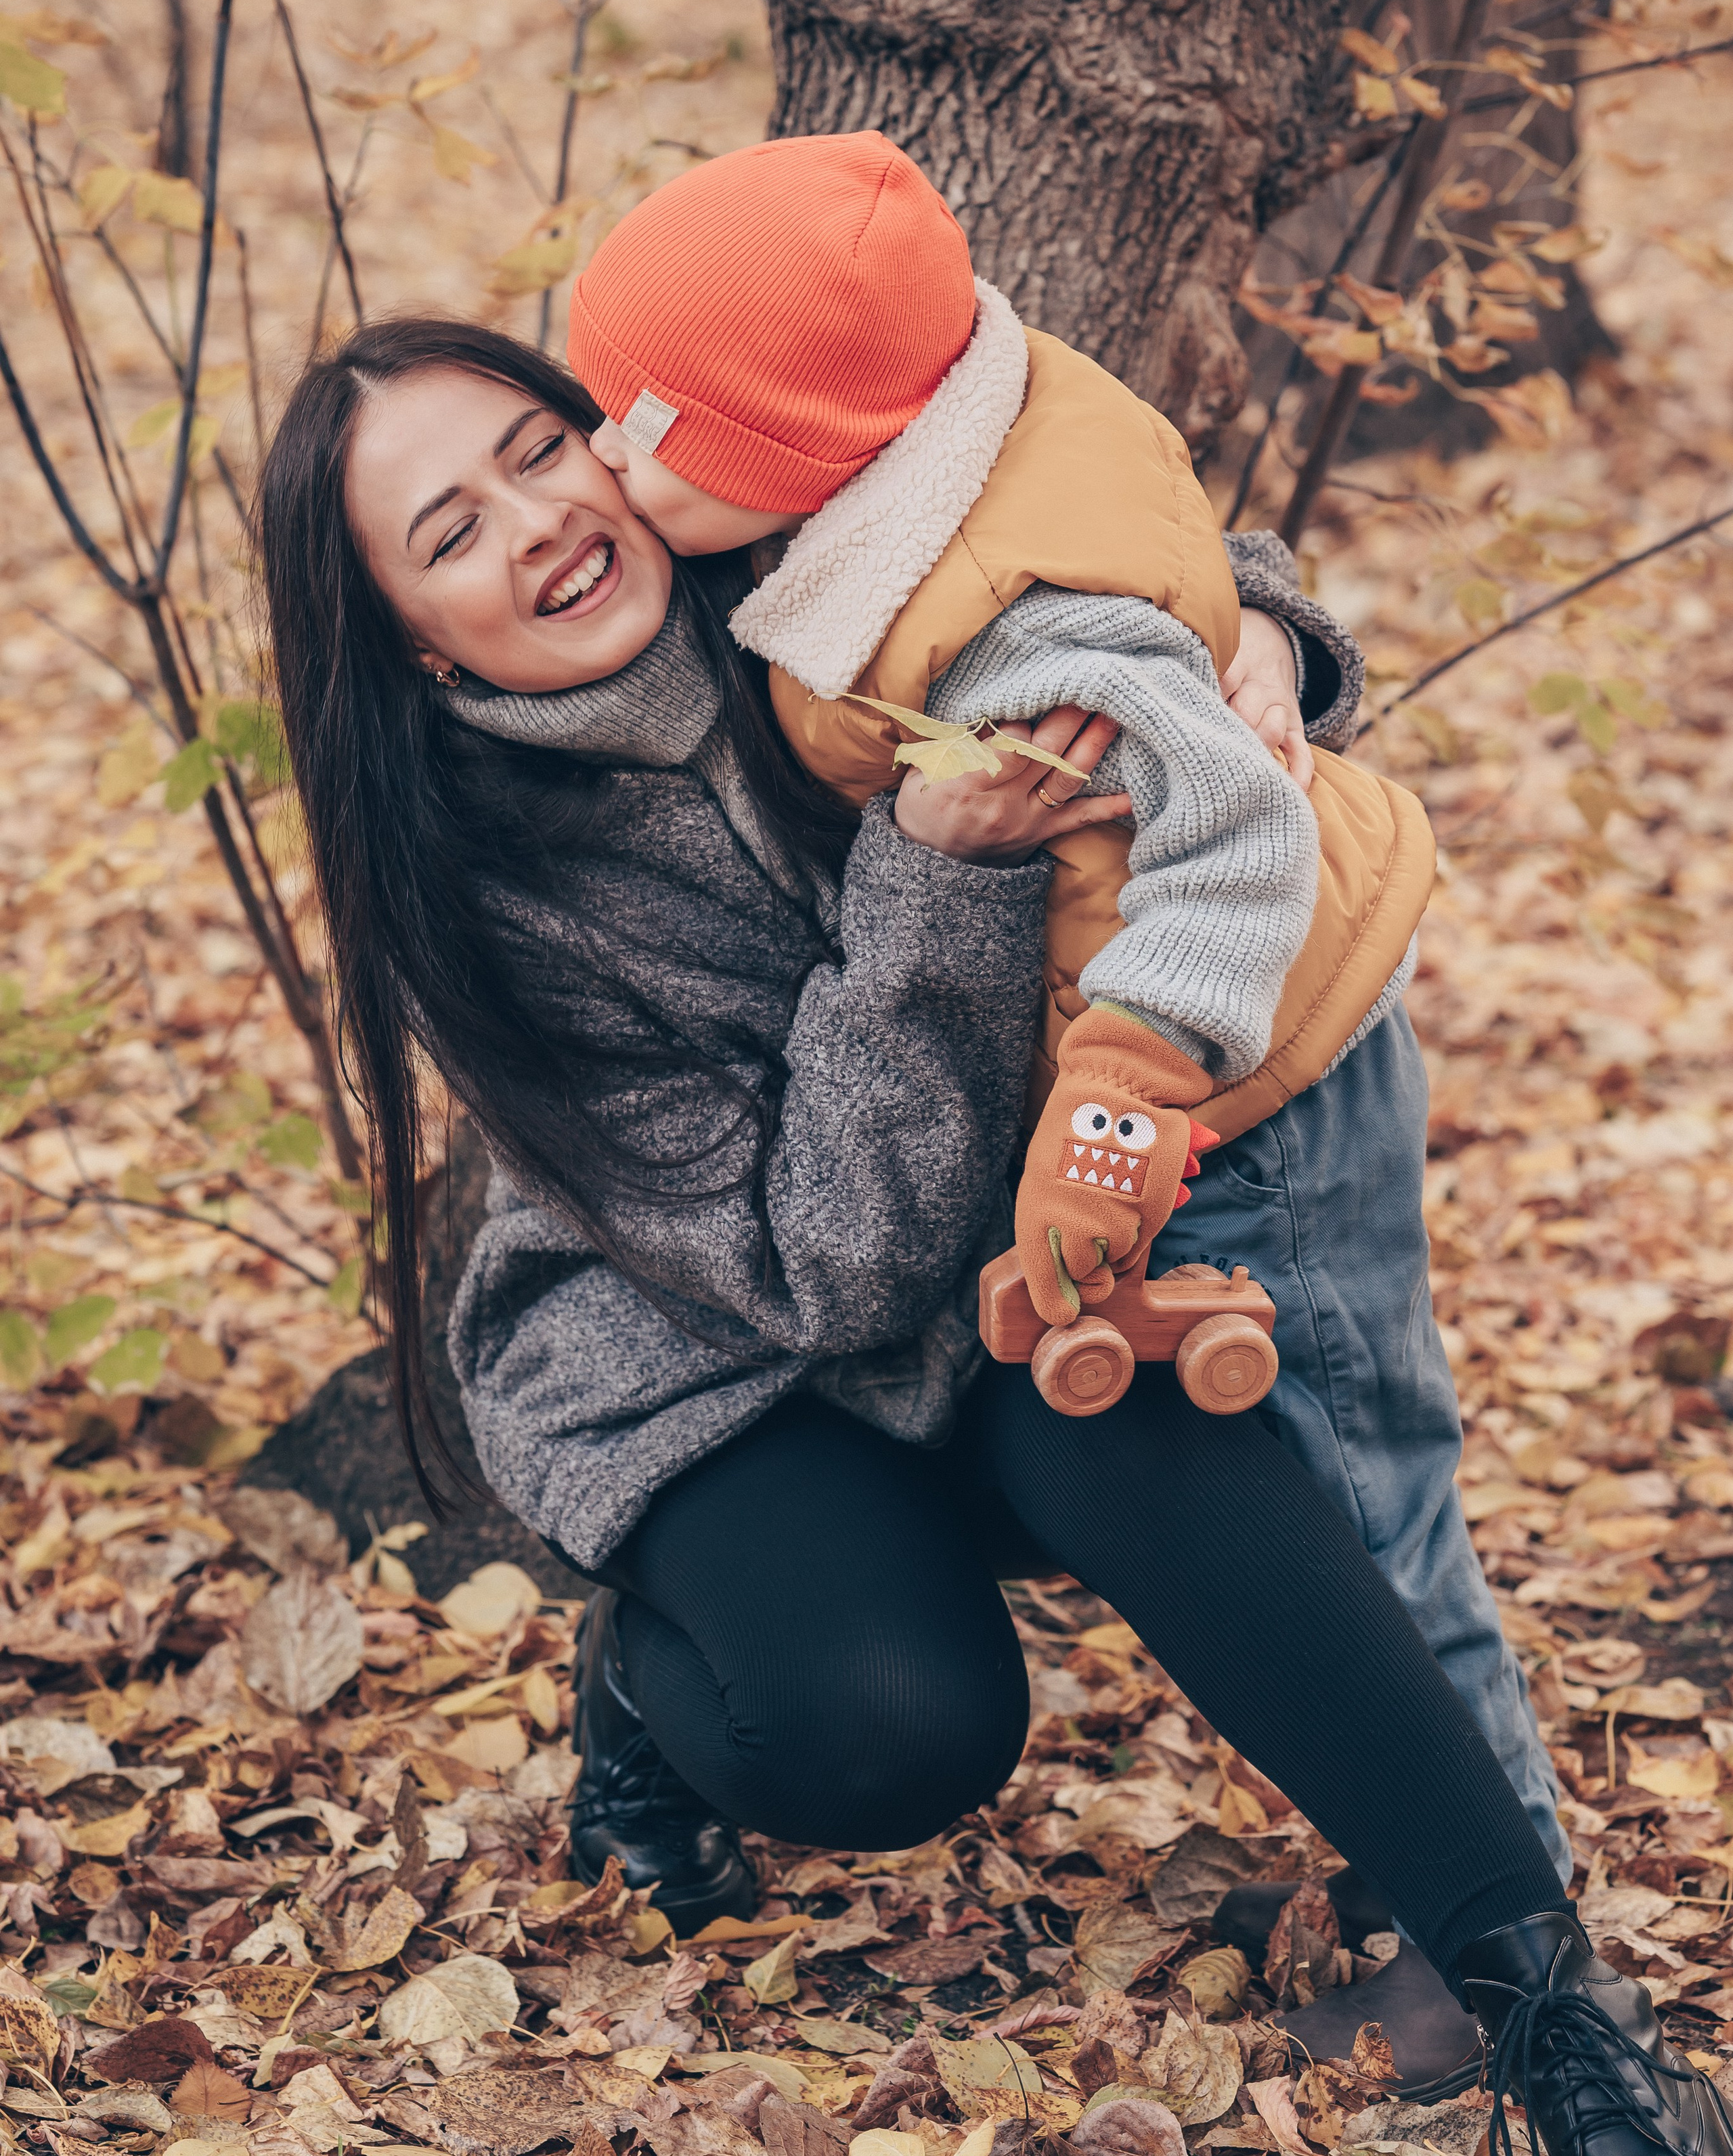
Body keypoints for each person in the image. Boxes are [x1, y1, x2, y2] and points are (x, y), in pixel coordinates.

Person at [257, 314, 1730, 2156]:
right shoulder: (486, 889)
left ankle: (1560, 2021)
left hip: (1002, 1263)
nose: (534, 523)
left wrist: (1268, 646)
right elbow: (827, 1263)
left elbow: (1108, 555)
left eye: (536, 451)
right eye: (448, 531)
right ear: (406, 630)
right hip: (723, 1366)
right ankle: (646, 1675)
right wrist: (938, 871)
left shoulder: (773, 528)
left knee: (1162, 1422)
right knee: (892, 1723)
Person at [563, 134, 1569, 2055]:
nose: (605, 467)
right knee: (1328, 1471)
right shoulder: (926, 469)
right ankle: (1416, 1848)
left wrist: (1123, 1079)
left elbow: (1233, 828)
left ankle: (1499, 1924)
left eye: (643, 428)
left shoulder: (1009, 618)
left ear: (791, 449)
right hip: (1194, 1067)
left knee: (1357, 1490)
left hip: (1239, 1066)